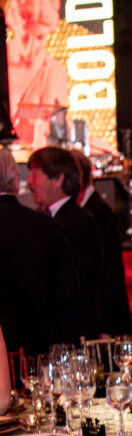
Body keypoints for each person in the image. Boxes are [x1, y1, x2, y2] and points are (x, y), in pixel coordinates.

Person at [0, 146, 80, 352]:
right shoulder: (47, 226)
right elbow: (68, 293)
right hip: (39, 348)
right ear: (15, 182)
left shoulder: (51, 224)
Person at [27, 146, 103, 339]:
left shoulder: (80, 221)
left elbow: (74, 286)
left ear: (58, 179)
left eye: (35, 175)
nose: (28, 182)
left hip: (71, 335)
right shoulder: (40, 218)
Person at [73, 149, 132, 337]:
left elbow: (110, 271)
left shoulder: (98, 212)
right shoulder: (89, 209)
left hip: (107, 320)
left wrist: (105, 326)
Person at [5, 0, 68, 151]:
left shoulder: (53, 71)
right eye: (26, 36)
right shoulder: (3, 63)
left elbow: (55, 127)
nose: (31, 45)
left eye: (40, 37)